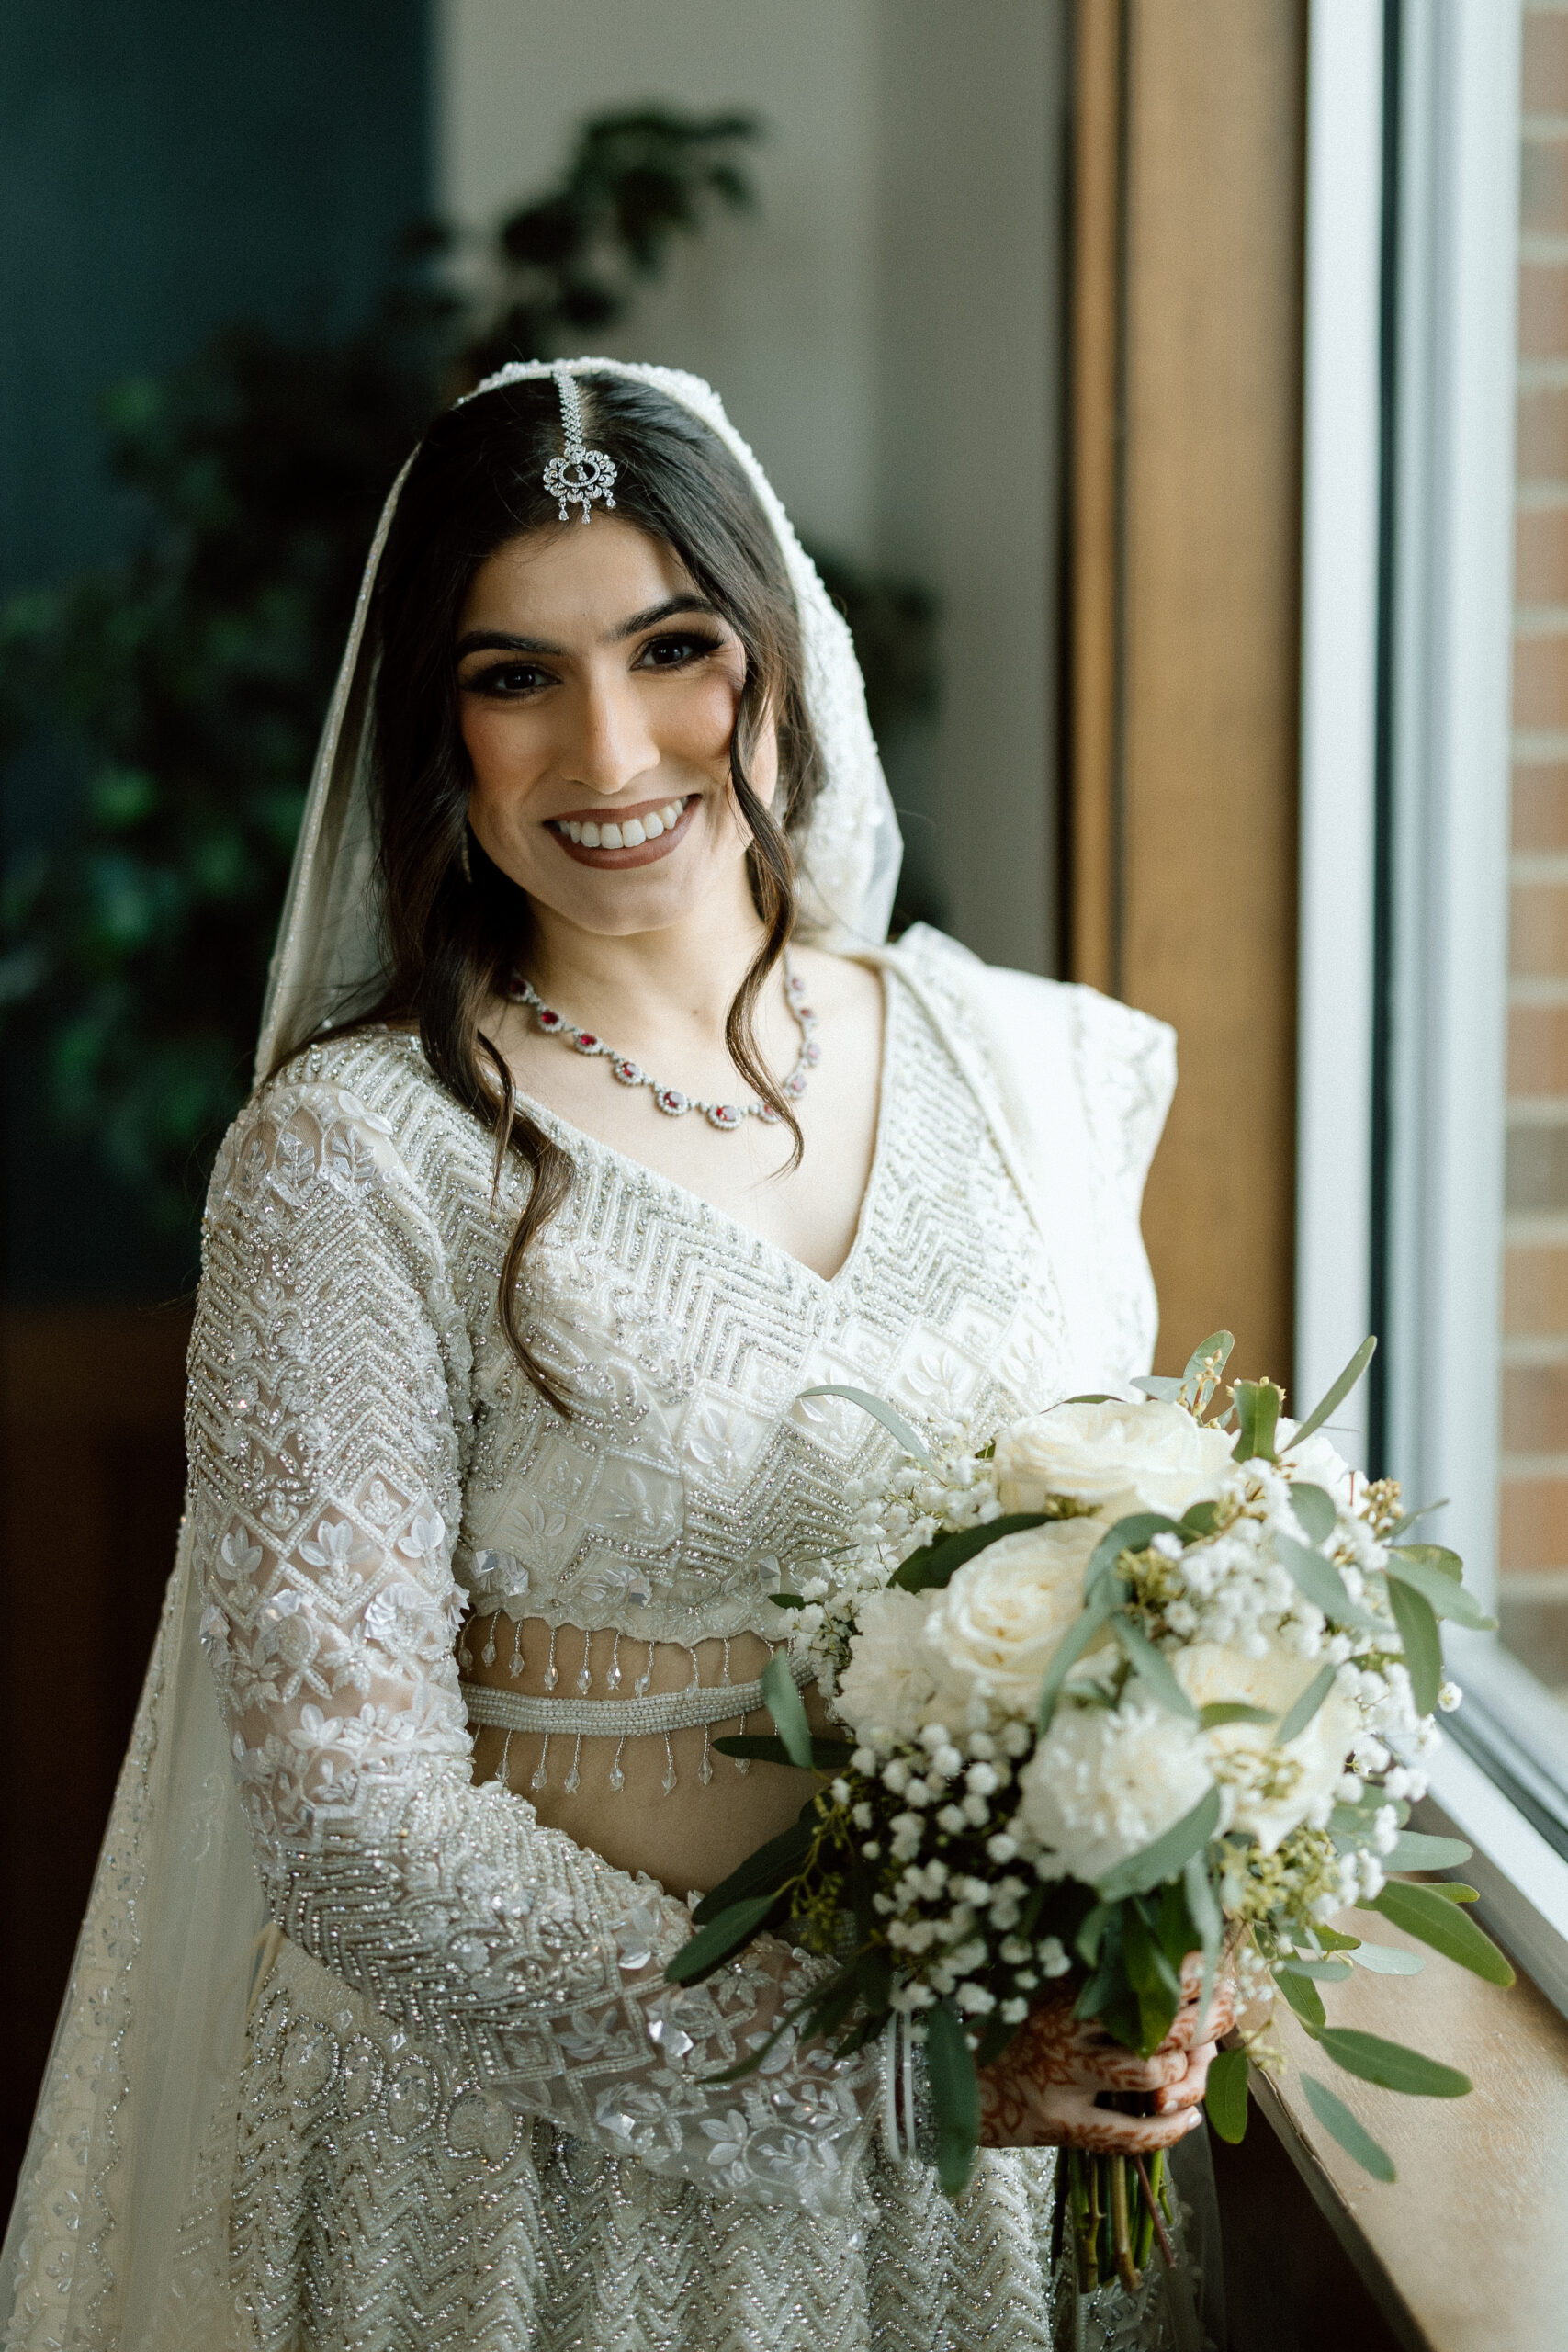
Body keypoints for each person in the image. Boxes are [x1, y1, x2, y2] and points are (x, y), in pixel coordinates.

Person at [1, 362, 1230, 2352]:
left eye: (674, 648)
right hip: (530, 2202)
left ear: (779, 655)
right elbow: (351, 1821)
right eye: (516, 678)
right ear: (435, 730)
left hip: (993, 2197)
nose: (611, 747)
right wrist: (867, 2073)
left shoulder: (1033, 1068)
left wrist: (1190, 1887)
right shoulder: (358, 1159)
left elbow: (1153, 1597)